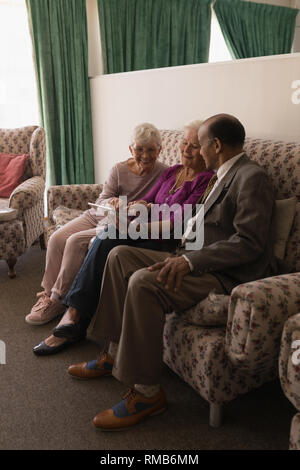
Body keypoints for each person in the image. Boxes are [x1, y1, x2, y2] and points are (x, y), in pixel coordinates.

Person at [67, 113, 282, 431]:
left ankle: (147, 394)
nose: (192, 150)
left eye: (200, 145)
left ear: (216, 145)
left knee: (142, 282)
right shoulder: (221, 176)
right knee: (119, 256)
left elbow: (248, 244)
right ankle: (111, 351)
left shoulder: (251, 177)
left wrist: (190, 261)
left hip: (224, 275)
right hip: (190, 255)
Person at [33, 120, 215, 355]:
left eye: (194, 146)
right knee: (103, 239)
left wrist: (139, 225)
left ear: (207, 150)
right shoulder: (172, 172)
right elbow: (148, 200)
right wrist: (141, 205)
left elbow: (179, 221)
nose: (186, 150)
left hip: (164, 239)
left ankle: (74, 315)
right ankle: (72, 313)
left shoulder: (205, 180)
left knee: (106, 239)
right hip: (140, 228)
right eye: (184, 143)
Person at [26, 123, 167, 326]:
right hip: (97, 215)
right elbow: (101, 199)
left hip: (118, 224)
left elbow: (161, 205)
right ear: (131, 149)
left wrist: (139, 208)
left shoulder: (165, 174)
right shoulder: (119, 170)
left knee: (75, 241)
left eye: (151, 149)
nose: (145, 155)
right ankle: (47, 295)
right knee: (57, 238)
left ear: (159, 150)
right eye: (140, 149)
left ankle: (58, 298)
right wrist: (113, 202)